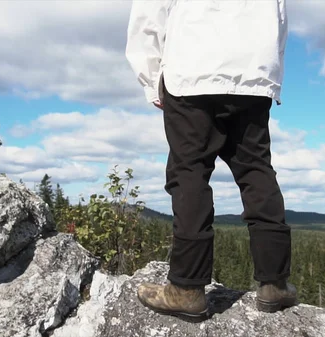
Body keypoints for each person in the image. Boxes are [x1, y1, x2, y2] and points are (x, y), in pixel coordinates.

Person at [125, 0, 296, 321]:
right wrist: (270, 75)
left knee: (189, 172)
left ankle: (187, 288)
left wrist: (151, 81)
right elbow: (280, 18)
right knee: (256, 170)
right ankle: (275, 284)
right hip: (254, 72)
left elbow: (149, 16)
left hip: (192, 66)